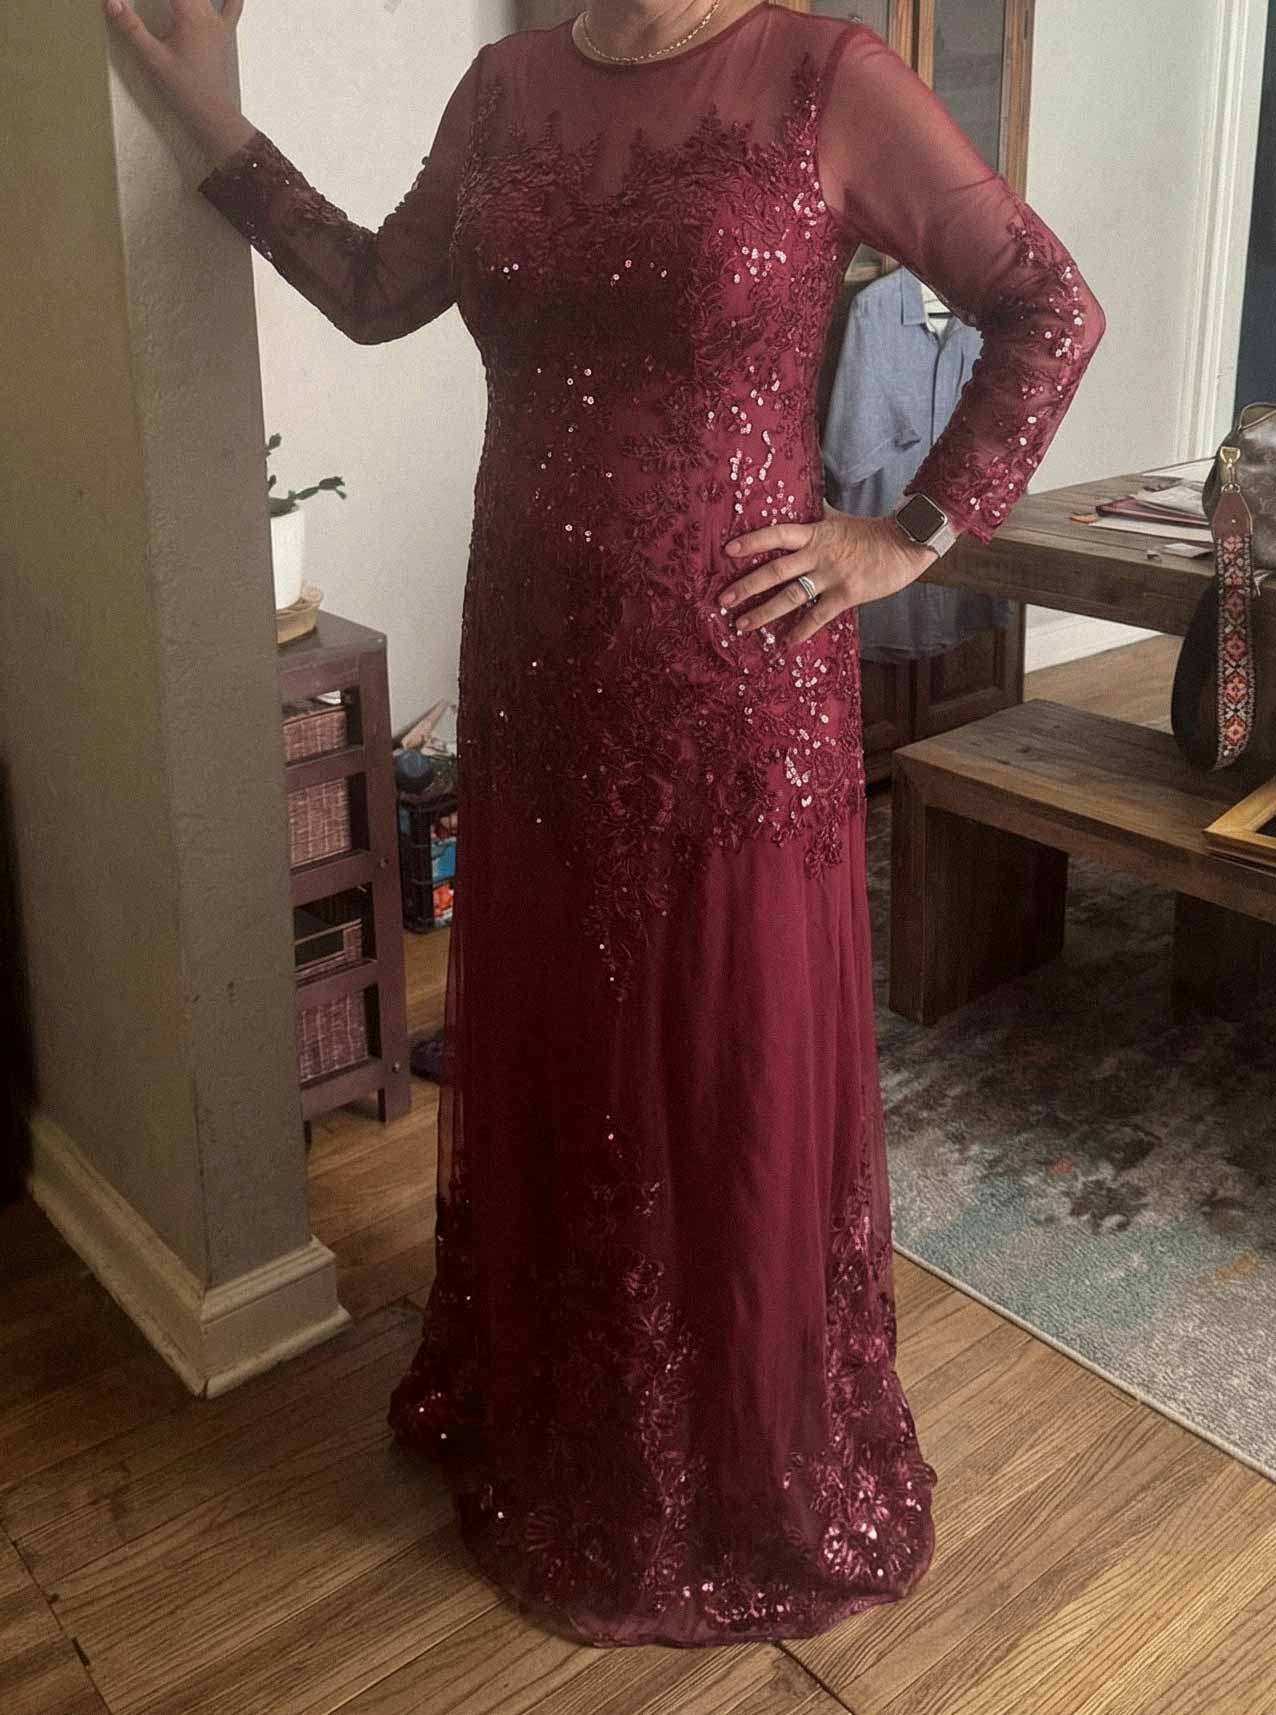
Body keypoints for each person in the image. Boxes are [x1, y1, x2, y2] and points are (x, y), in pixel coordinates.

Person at [106, 0, 1106, 1648]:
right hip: (537, 659)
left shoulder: (826, 76)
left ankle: (734, 1460)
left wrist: (913, 531)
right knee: (568, 1034)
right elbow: (373, 292)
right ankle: (576, 1412)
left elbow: (1049, 307)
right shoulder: (504, 90)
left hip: (739, 676)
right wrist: (215, 124)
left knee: (726, 1053)